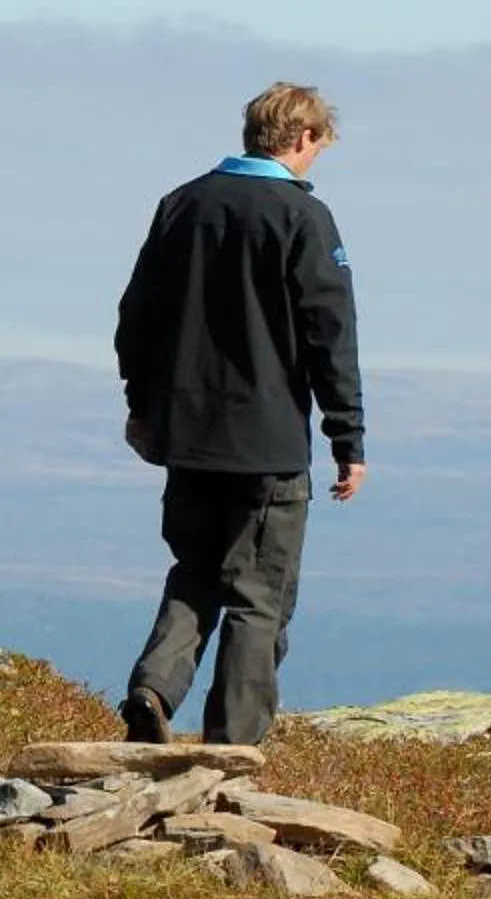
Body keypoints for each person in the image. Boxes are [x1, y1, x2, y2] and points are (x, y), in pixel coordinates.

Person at [112, 82, 367, 747]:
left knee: (194, 570)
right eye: (319, 146)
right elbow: (329, 334)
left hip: (187, 437)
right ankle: (234, 745)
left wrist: (143, 404)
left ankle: (153, 688)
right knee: (260, 595)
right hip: (269, 443)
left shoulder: (183, 204)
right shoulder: (304, 219)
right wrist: (348, 436)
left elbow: (136, 315)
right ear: (305, 138)